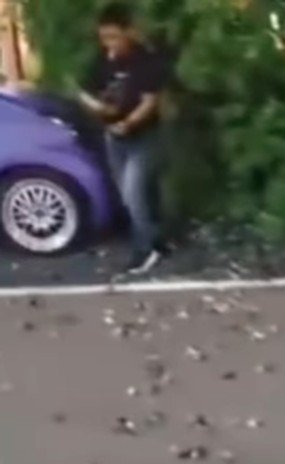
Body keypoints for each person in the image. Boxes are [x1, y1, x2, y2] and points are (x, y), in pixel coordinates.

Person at [79, 2, 167, 274]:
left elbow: (151, 101)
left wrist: (128, 123)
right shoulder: (101, 60)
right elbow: (83, 90)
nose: (109, 43)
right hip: (113, 138)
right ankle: (158, 240)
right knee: (138, 194)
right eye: (104, 37)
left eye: (114, 36)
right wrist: (98, 108)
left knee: (133, 192)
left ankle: (145, 249)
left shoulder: (145, 60)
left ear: (129, 32)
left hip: (144, 136)